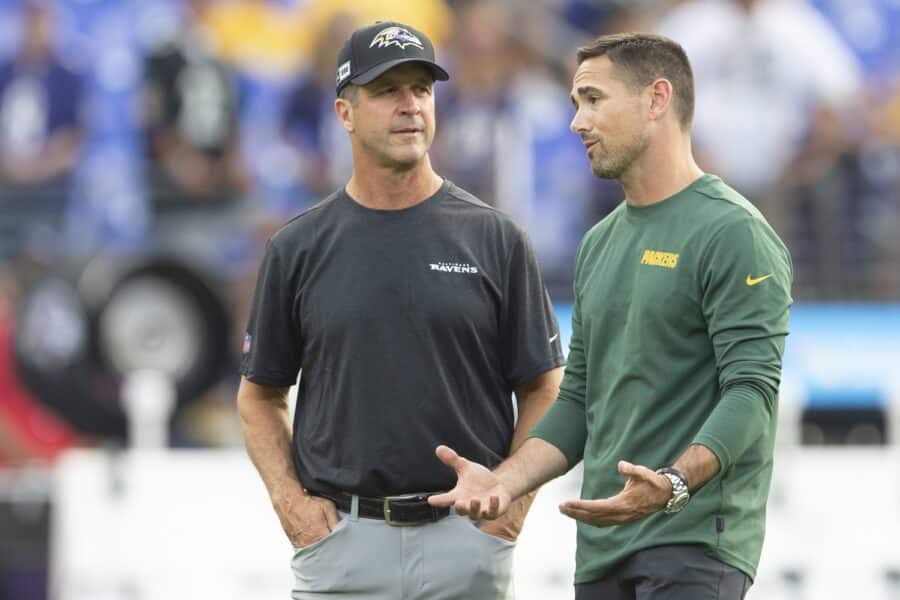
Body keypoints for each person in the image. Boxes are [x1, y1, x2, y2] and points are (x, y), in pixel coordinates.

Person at [429, 32, 793, 599]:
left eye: (594, 99)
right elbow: (579, 399)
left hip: (693, 545)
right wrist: (503, 481)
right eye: (576, 103)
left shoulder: (733, 232)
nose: (578, 122)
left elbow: (752, 391)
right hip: (601, 550)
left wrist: (673, 483)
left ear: (657, 99)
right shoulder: (599, 243)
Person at [236, 20, 565, 600]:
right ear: (344, 113)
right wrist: (292, 506)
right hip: (341, 545)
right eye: (388, 90)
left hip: (466, 542)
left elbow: (544, 388)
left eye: (422, 89)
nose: (410, 105)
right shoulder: (298, 247)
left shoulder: (496, 239)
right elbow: (259, 395)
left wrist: (509, 507)